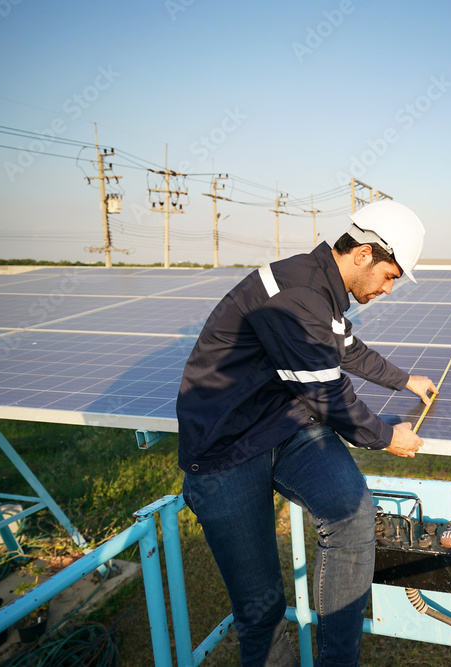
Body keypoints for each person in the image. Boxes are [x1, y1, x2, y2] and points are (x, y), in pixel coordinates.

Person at [176, 200, 437, 666]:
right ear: (363, 254)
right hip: (226, 450)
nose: (389, 288)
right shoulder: (295, 295)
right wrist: (386, 436)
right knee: (261, 611)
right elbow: (329, 396)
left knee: (352, 514)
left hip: (285, 426)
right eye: (391, 275)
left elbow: (346, 346)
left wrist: (403, 379)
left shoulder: (322, 285)